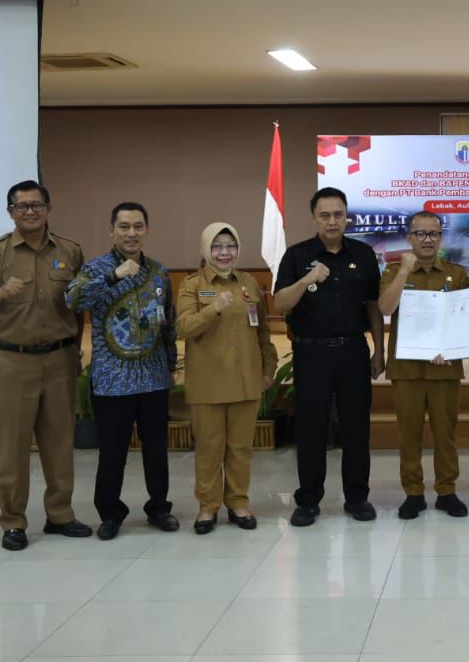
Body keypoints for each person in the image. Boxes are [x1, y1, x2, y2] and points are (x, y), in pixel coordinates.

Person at [0, 180, 92, 550]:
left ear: (48, 209)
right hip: (11, 361)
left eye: (37, 205)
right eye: (22, 206)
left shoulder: (70, 250)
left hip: (60, 359)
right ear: (11, 213)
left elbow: (78, 306)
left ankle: (60, 514)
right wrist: (1, 292)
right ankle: (13, 521)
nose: (30, 212)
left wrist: (75, 350)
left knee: (60, 442)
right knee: (12, 446)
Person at [66, 202, 178, 541]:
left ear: (147, 230)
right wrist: (113, 276)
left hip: (153, 376)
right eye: (124, 227)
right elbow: (72, 300)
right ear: (112, 230)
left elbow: (167, 321)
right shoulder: (95, 267)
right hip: (112, 380)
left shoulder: (158, 271)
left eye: (138, 226)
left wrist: (171, 364)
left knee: (156, 450)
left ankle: (159, 508)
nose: (131, 233)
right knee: (113, 453)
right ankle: (110, 513)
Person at [273, 186, 384, 527]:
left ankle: (357, 497)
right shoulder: (296, 256)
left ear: (347, 217)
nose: (332, 221)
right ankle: (308, 501)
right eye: (325, 215)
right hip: (312, 354)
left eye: (338, 214)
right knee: (311, 429)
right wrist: (308, 279)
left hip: (353, 351)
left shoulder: (364, 254)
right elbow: (280, 303)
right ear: (314, 218)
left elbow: (373, 306)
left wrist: (379, 350)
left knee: (356, 428)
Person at [176, 223, 278, 534]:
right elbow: (184, 328)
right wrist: (214, 309)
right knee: (209, 449)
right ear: (205, 250)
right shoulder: (193, 285)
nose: (224, 252)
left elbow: (262, 330)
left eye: (230, 246)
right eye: (217, 246)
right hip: (208, 383)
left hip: (246, 380)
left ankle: (238, 502)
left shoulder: (248, 283)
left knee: (240, 448)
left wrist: (268, 367)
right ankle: (208, 507)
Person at [378, 211, 469, 519]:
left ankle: (447, 491)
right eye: (420, 233)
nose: (428, 240)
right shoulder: (394, 271)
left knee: (446, 433)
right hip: (407, 369)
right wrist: (405, 270)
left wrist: (451, 347)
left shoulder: (457, 273)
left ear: (441, 238)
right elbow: (385, 308)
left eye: (433, 234)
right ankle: (414, 493)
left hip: (444, 367)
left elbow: (464, 317)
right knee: (409, 434)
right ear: (409, 238)